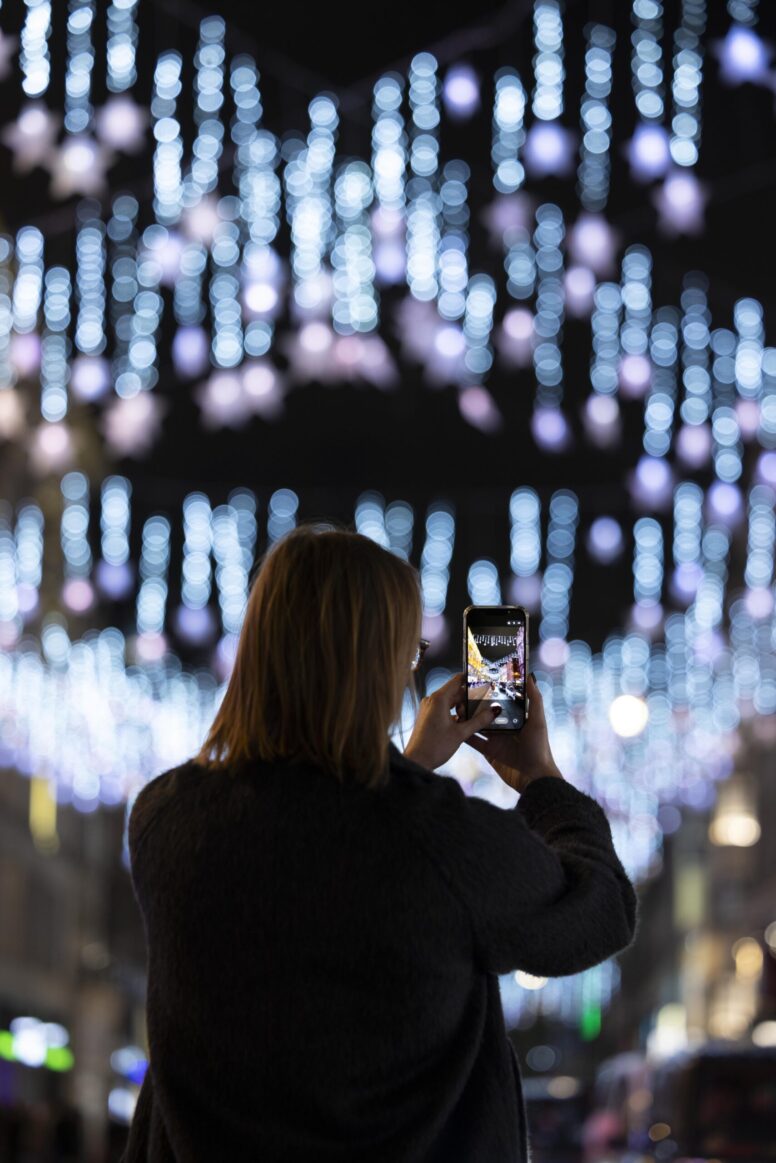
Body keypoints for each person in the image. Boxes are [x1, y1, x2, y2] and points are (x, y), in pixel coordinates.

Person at [121, 525, 638, 1163]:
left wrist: (409, 769)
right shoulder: (436, 837)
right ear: (379, 662)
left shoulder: (165, 818)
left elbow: (314, 864)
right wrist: (540, 781)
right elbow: (599, 908)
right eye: (410, 648)